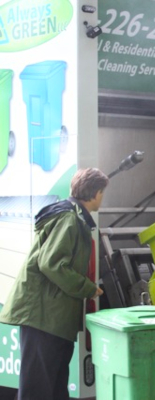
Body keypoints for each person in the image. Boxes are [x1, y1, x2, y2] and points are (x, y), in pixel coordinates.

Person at [0, 168, 109, 400]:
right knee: (37, 389)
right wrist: (89, 289)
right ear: (96, 193)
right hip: (43, 317)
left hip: (54, 319)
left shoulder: (74, 217)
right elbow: (51, 264)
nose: (102, 197)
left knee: (56, 386)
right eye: (102, 192)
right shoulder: (68, 219)